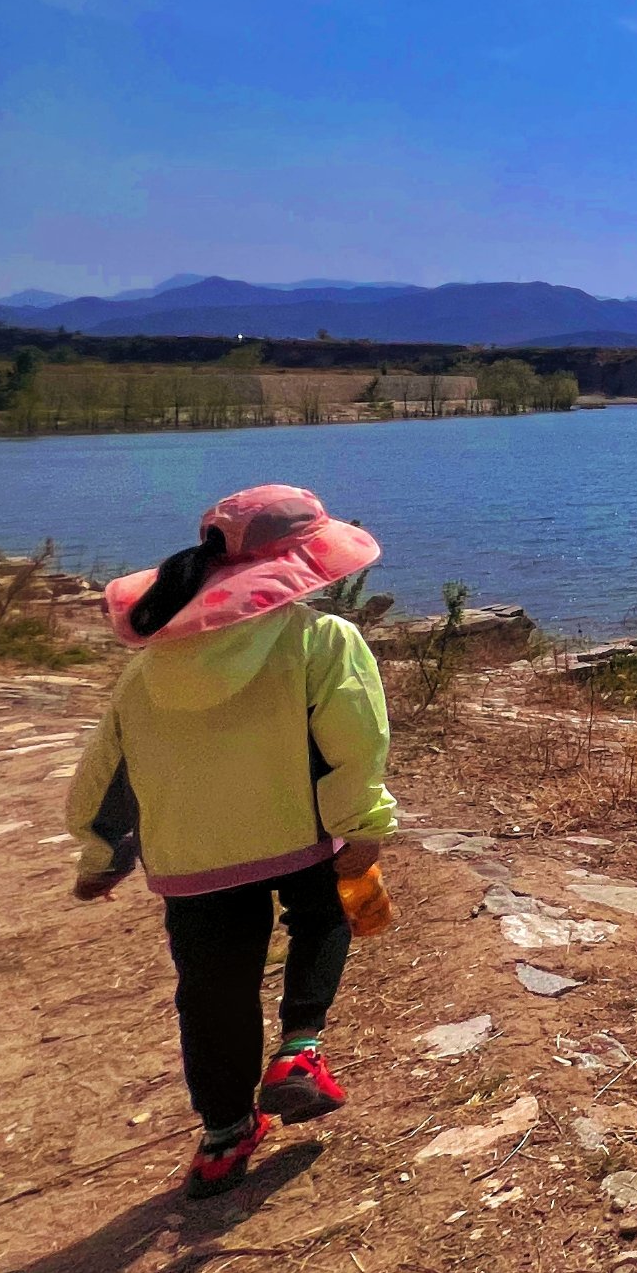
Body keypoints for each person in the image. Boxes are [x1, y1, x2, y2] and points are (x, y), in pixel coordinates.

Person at [66, 485, 397, 1200]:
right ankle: (300, 1051)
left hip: (190, 856)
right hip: (299, 835)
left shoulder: (151, 665)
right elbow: (355, 745)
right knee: (322, 916)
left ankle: (223, 1136)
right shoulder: (320, 639)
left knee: (212, 993)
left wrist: (102, 854)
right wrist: (364, 829)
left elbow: (108, 769)